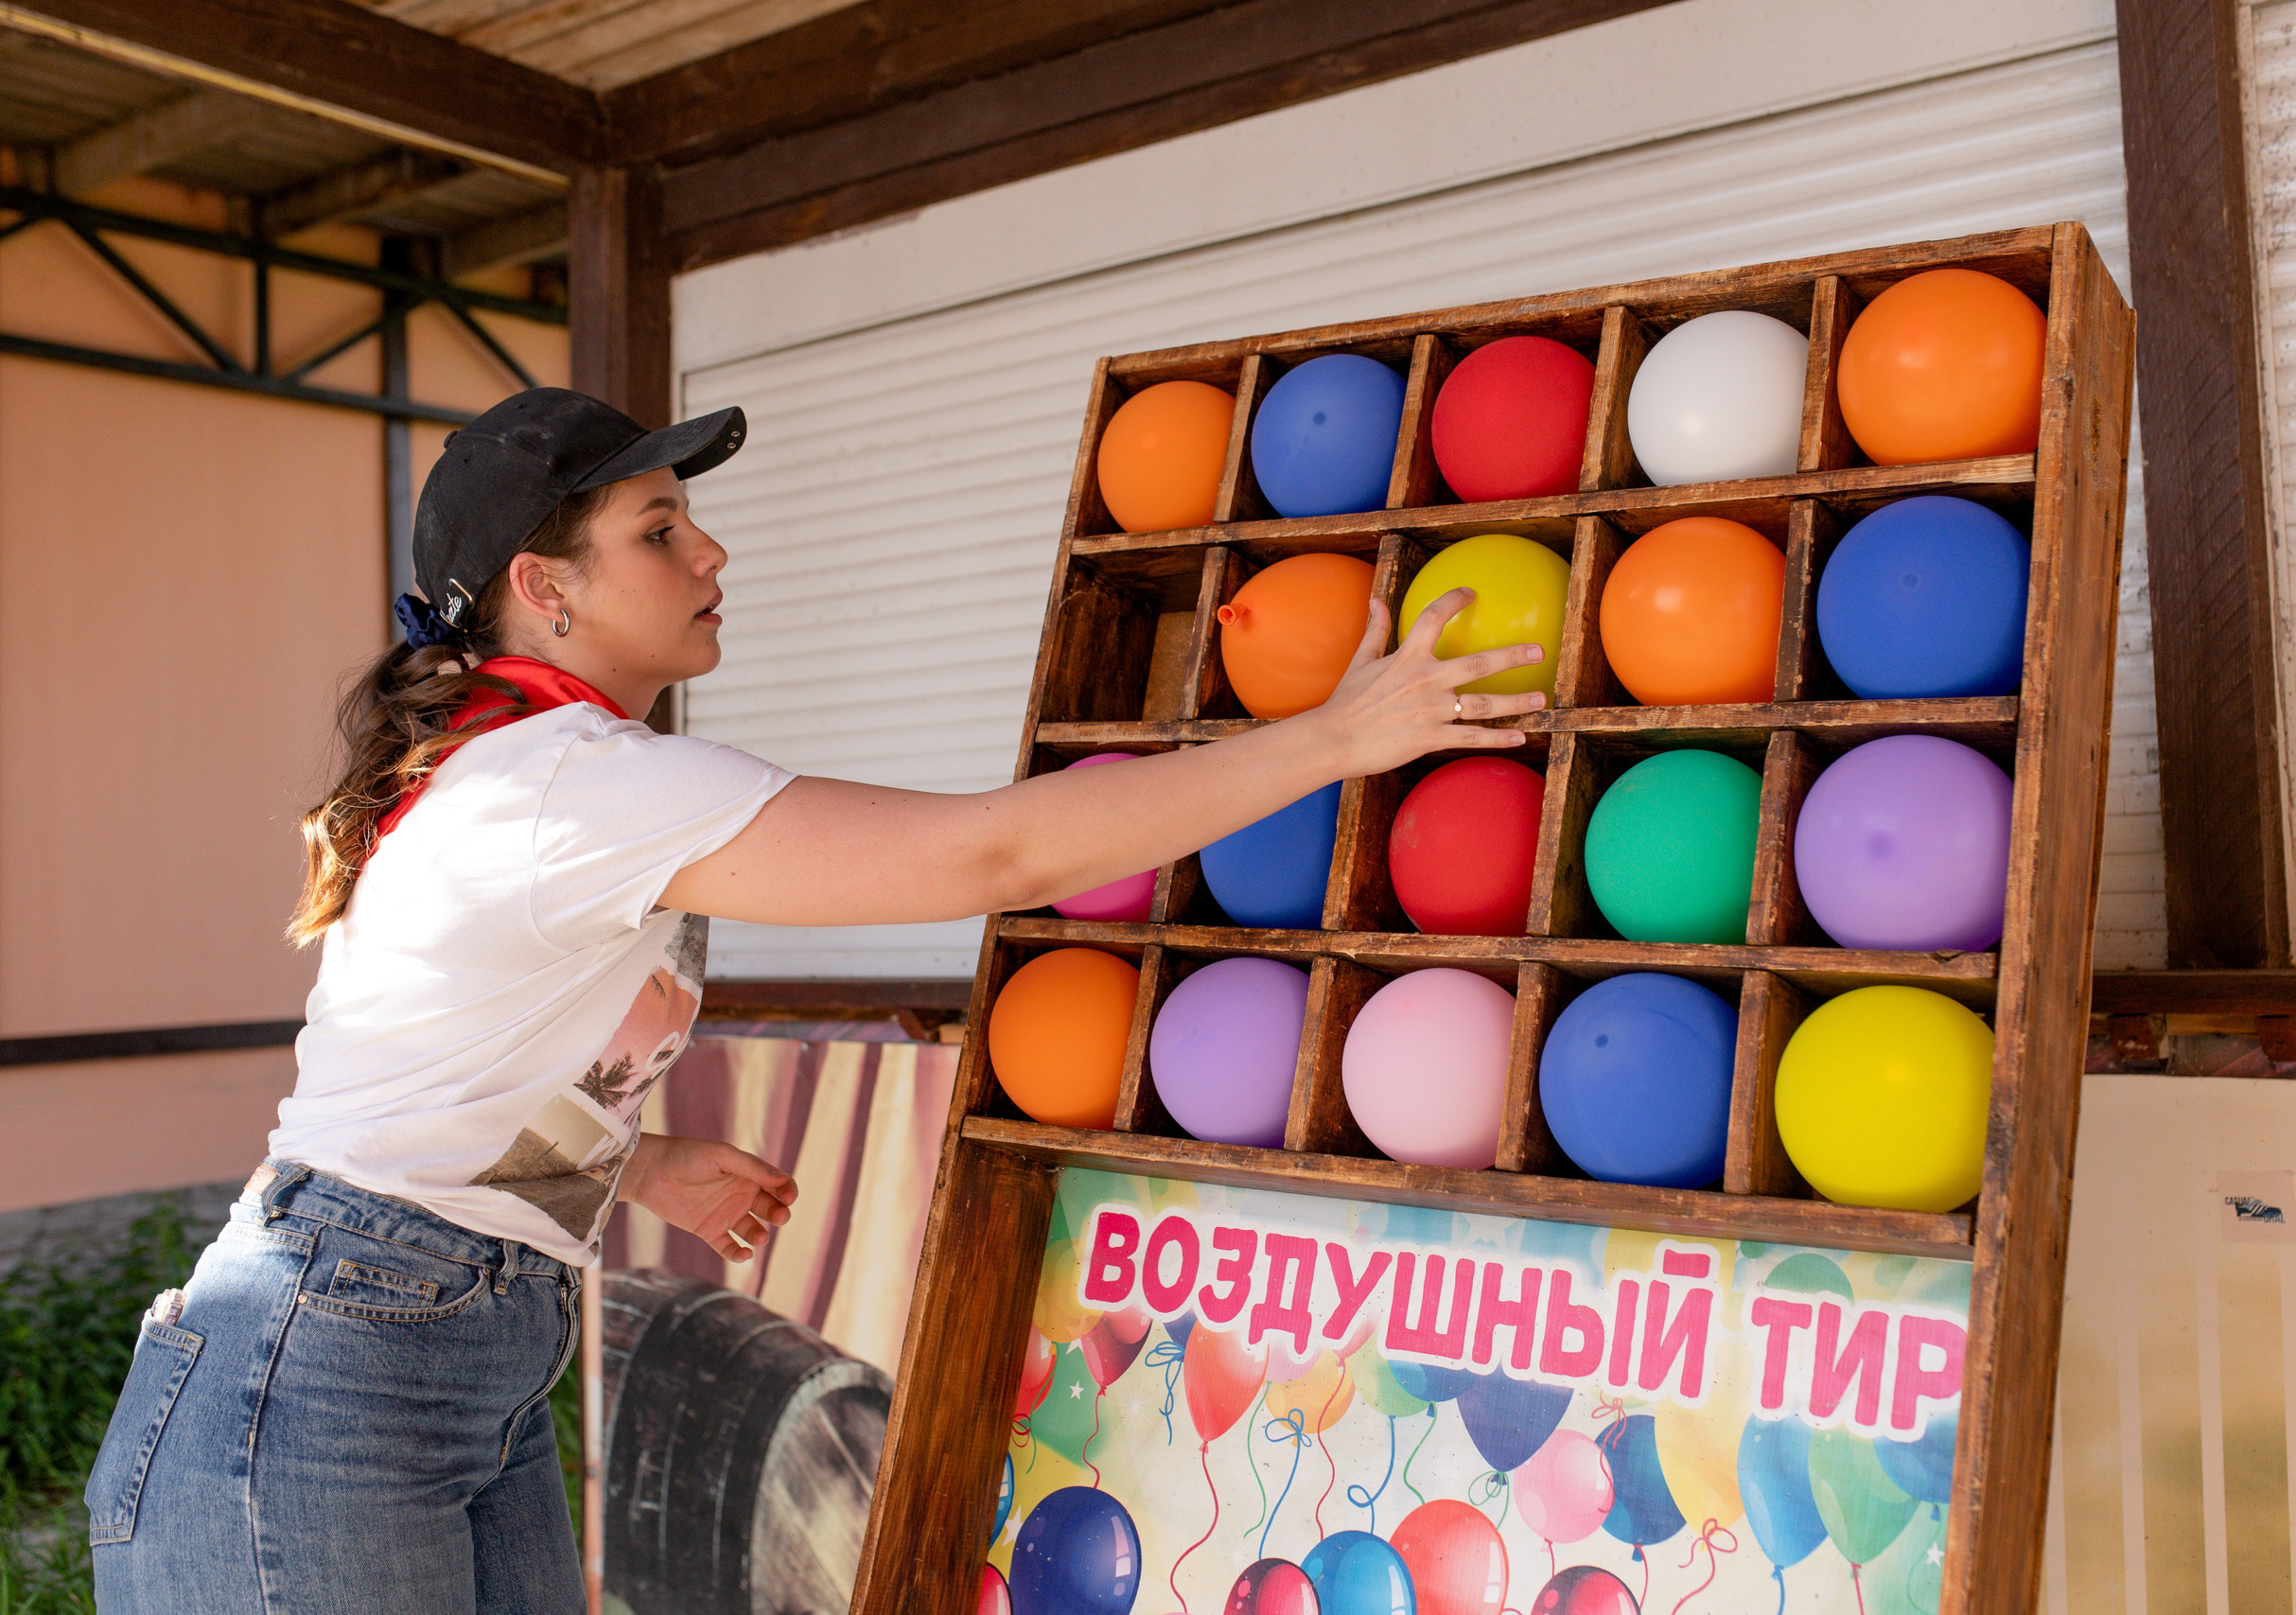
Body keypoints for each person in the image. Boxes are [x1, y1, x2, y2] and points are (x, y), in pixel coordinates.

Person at [84, 388, 1542, 1614]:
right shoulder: (564, 786)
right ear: (549, 589)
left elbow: (414, 1106)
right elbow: (994, 852)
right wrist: (1342, 737)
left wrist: (634, 1163)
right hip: (323, 1383)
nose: (710, 548)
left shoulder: (531, 776)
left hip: (438, 1354)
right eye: (658, 531)